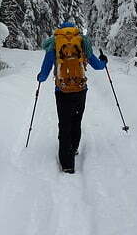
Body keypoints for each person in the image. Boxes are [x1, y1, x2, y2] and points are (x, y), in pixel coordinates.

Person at [37, 22, 108, 174]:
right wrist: (104, 61)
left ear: (60, 30)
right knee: (76, 120)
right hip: (80, 89)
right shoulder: (82, 42)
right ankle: (73, 148)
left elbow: (45, 71)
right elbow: (97, 65)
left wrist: (40, 78)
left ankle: (67, 163)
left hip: (62, 90)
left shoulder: (54, 42)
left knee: (64, 124)